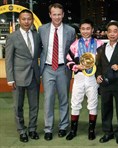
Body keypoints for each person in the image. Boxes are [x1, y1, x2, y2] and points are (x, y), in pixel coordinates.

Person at [38, 3, 76, 141]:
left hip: (63, 69)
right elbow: (39, 48)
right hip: (48, 68)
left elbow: (73, 51)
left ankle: (63, 126)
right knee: (48, 99)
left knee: (64, 99)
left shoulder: (70, 31)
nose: (57, 17)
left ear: (63, 14)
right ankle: (48, 129)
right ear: (50, 15)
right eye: (54, 14)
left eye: (59, 14)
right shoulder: (42, 29)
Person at [5, 9, 41, 143]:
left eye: (29, 19)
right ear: (19, 20)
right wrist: (10, 78)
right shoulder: (12, 37)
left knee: (34, 105)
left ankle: (32, 129)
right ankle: (21, 130)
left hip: (34, 76)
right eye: (24, 19)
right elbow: (8, 59)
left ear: (32, 20)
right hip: (18, 77)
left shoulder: (36, 36)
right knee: (18, 106)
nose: (26, 21)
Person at [65, 19, 104, 141]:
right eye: (83, 29)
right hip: (79, 77)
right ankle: (73, 130)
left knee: (93, 103)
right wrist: (77, 66)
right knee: (75, 103)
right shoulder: (74, 44)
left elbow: (104, 62)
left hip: (93, 78)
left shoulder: (100, 44)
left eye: (88, 29)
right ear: (80, 30)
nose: (86, 31)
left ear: (92, 30)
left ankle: (91, 130)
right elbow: (68, 61)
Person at [95, 21, 118, 144]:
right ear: (106, 33)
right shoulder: (100, 49)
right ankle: (107, 132)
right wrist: (97, 75)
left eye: (115, 31)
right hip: (105, 84)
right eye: (110, 31)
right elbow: (98, 66)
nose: (112, 34)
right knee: (105, 109)